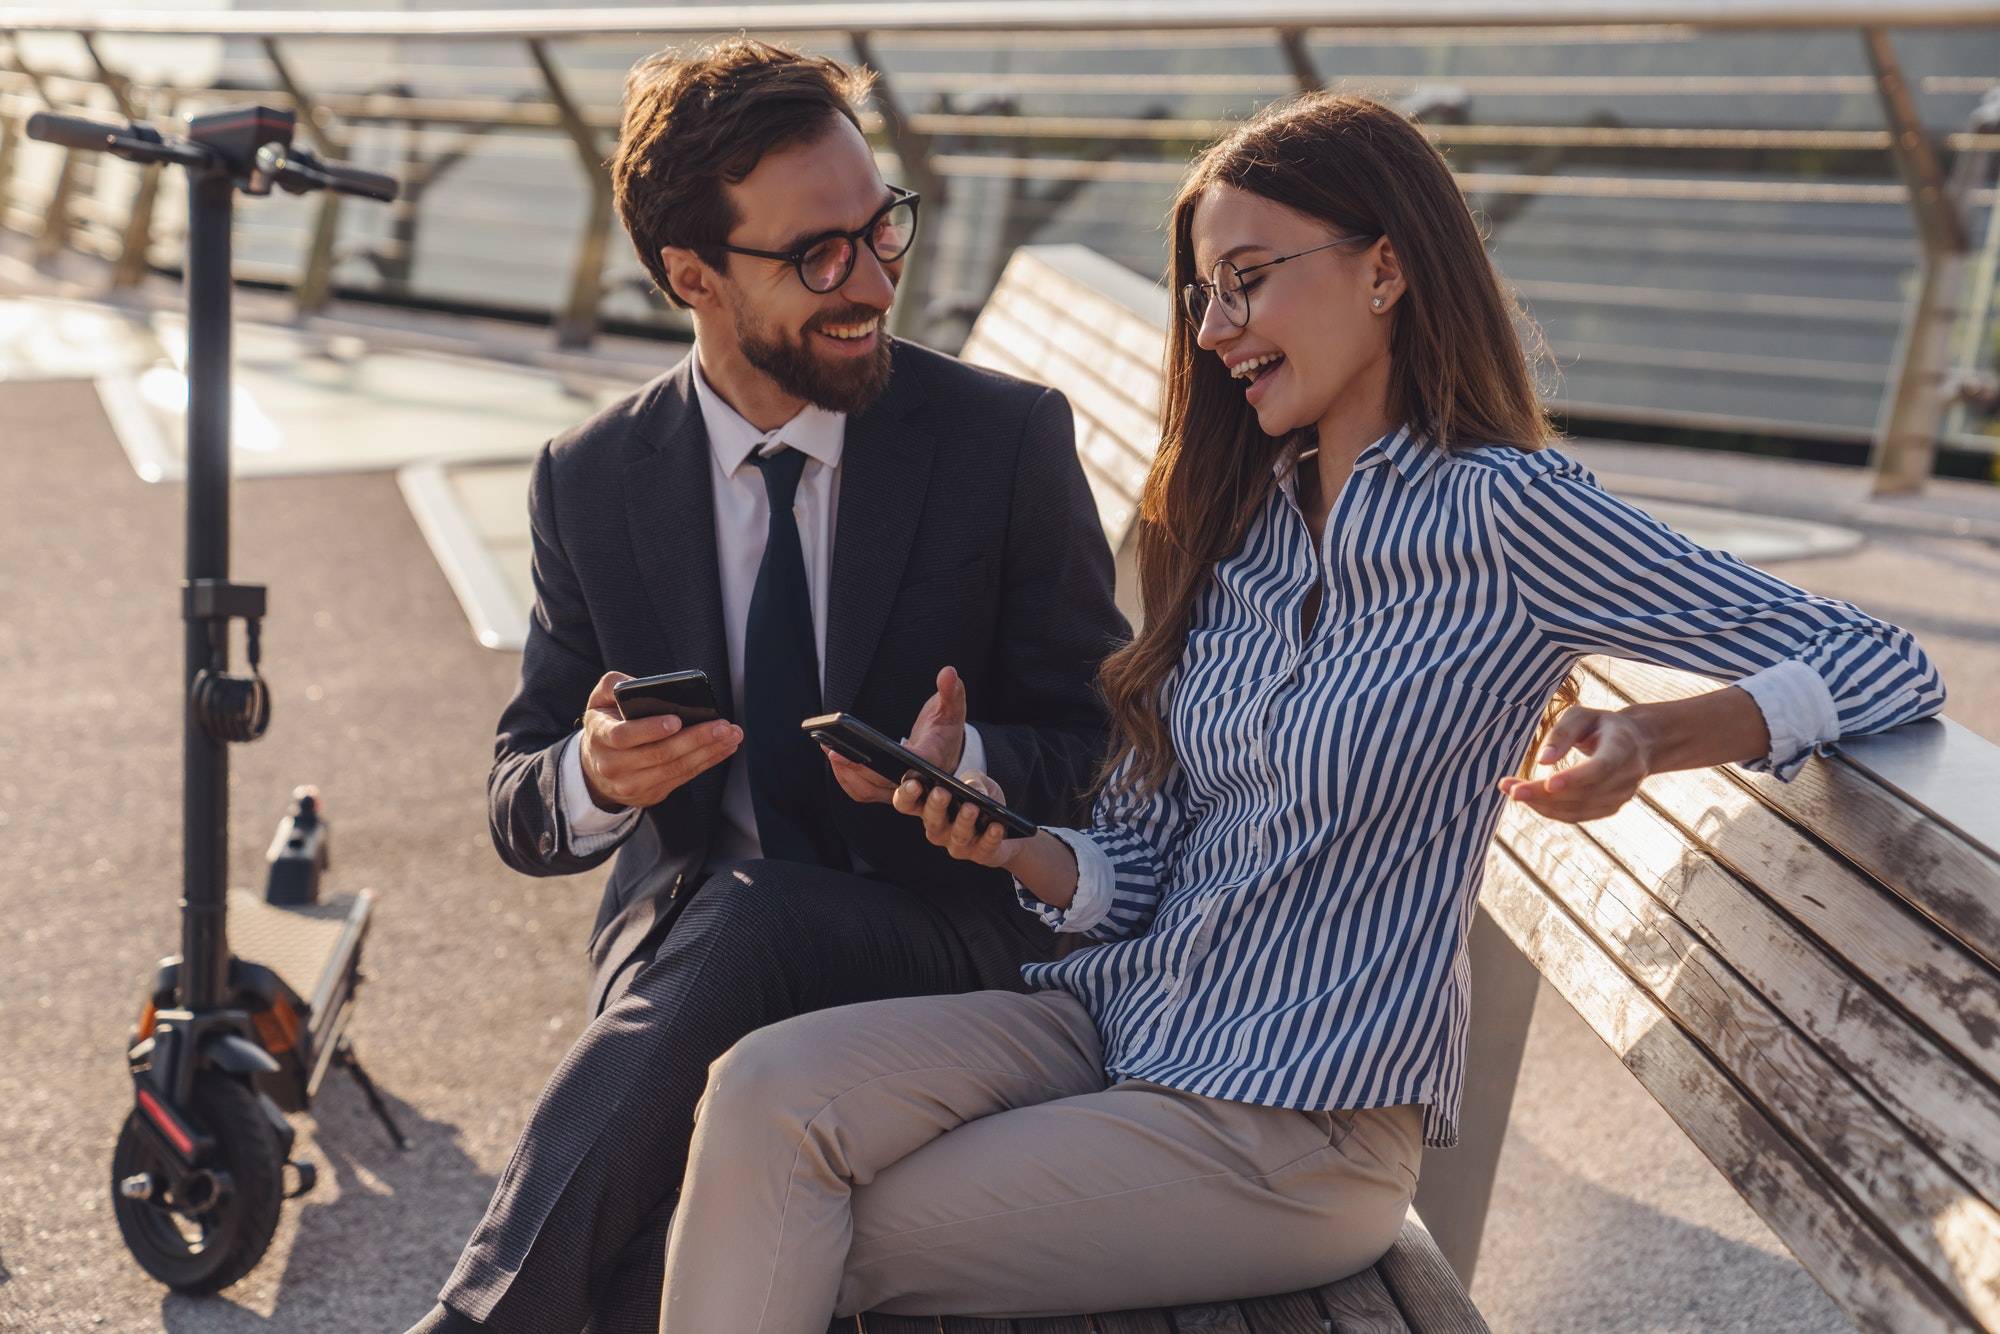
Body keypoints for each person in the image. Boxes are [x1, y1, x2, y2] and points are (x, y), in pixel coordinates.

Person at [654, 91, 1949, 1328]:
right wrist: (1007, 837)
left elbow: (1875, 653)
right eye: (1205, 293)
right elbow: (1153, 860)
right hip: (1120, 1018)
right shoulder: (1246, 530)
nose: (1216, 327)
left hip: (1289, 1130)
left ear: (1385, 269)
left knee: (804, 1224)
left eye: (1252, 278)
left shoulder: (1504, 512)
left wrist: (1663, 737)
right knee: (761, 1094)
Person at [407, 38, 1126, 1334]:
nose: (870, 280)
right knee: (682, 1161)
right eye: (816, 255)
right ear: (691, 275)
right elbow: (520, 800)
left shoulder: (1002, 442)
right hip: (686, 961)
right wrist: (594, 775)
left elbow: (1100, 736)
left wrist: (969, 773)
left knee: (752, 926)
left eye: (879, 227)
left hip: (942, 935)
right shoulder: (594, 476)